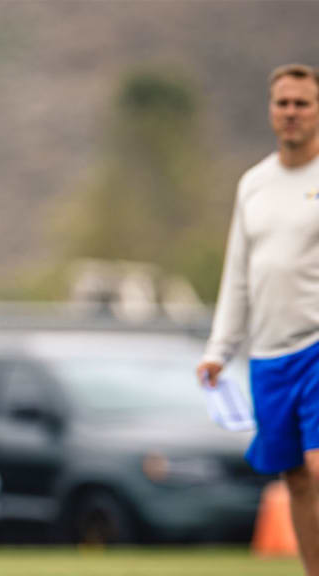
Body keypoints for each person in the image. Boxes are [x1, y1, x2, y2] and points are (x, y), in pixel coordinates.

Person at [197, 63, 319, 575]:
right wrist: (219, 349)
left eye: (302, 103)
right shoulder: (255, 183)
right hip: (270, 358)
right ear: (271, 111)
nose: (290, 113)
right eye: (282, 103)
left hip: (316, 347)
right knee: (294, 478)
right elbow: (239, 274)